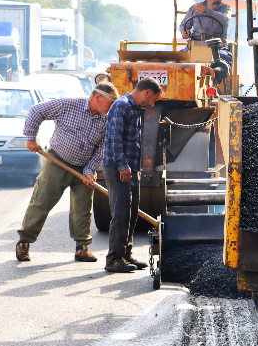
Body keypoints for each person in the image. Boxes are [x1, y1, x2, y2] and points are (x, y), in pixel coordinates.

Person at [15, 82, 120, 262]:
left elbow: (101, 148)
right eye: (110, 103)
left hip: (84, 168)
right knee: (42, 202)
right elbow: (36, 111)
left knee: (83, 209)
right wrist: (31, 138)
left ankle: (82, 248)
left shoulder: (106, 119)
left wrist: (89, 171)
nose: (111, 108)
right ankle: (24, 242)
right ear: (98, 98)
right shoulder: (70, 104)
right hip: (58, 162)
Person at [101, 78, 162, 273]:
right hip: (119, 167)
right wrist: (122, 165)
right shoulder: (121, 105)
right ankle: (114, 258)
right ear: (145, 92)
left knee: (131, 212)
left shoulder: (134, 109)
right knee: (120, 214)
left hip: (130, 168)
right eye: (153, 99)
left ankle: (125, 254)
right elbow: (114, 137)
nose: (152, 104)